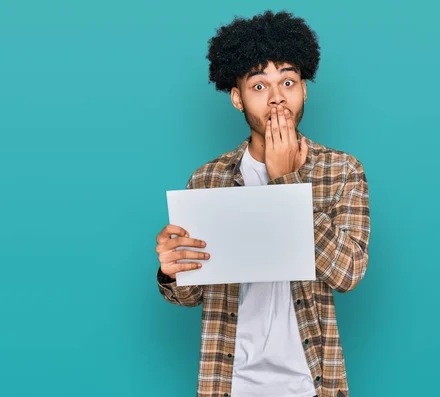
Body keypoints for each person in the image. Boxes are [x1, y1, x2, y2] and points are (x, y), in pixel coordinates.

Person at [155, 10, 370, 397]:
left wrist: (286, 179)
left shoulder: (342, 170)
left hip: (311, 384)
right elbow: (192, 294)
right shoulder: (207, 180)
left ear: (304, 89)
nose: (276, 98)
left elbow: (349, 273)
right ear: (237, 98)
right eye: (259, 86)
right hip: (229, 383)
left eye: (288, 81)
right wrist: (172, 273)